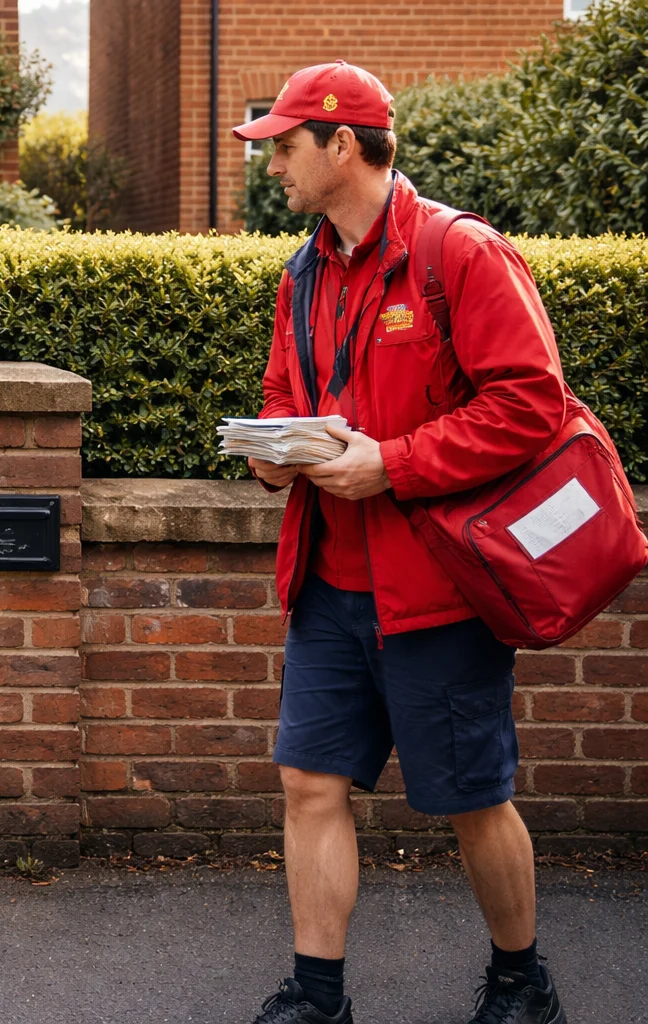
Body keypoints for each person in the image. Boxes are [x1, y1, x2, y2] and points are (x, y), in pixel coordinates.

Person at [232, 61, 569, 1024]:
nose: (275, 169)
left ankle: (520, 979)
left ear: (344, 146)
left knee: (471, 798)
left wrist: (398, 463)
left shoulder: (459, 252)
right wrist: (274, 452)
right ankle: (318, 994)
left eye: (286, 148)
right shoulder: (303, 272)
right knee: (307, 784)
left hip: (439, 591)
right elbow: (279, 401)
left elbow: (531, 406)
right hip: (330, 586)